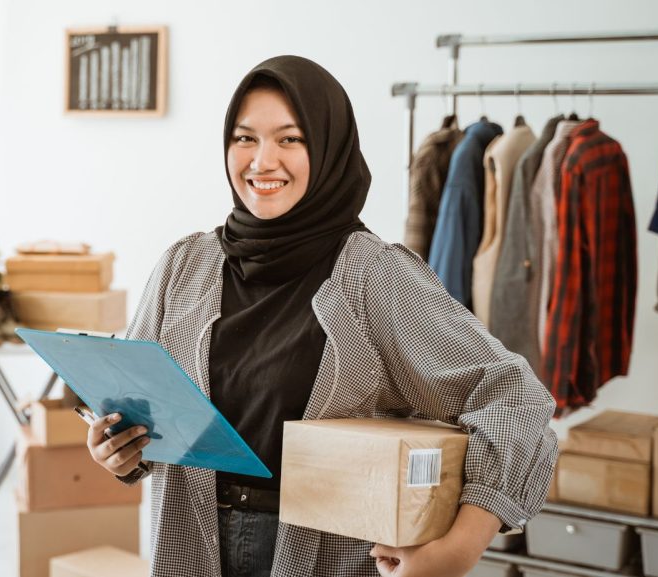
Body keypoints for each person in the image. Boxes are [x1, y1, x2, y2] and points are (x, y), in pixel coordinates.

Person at [86, 55, 558, 577]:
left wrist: (457, 550)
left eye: (290, 140)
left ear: (329, 148)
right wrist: (120, 452)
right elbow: (147, 414)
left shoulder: (371, 275)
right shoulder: (185, 264)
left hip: (318, 558)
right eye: (245, 138)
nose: (262, 161)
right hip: (190, 544)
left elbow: (516, 400)